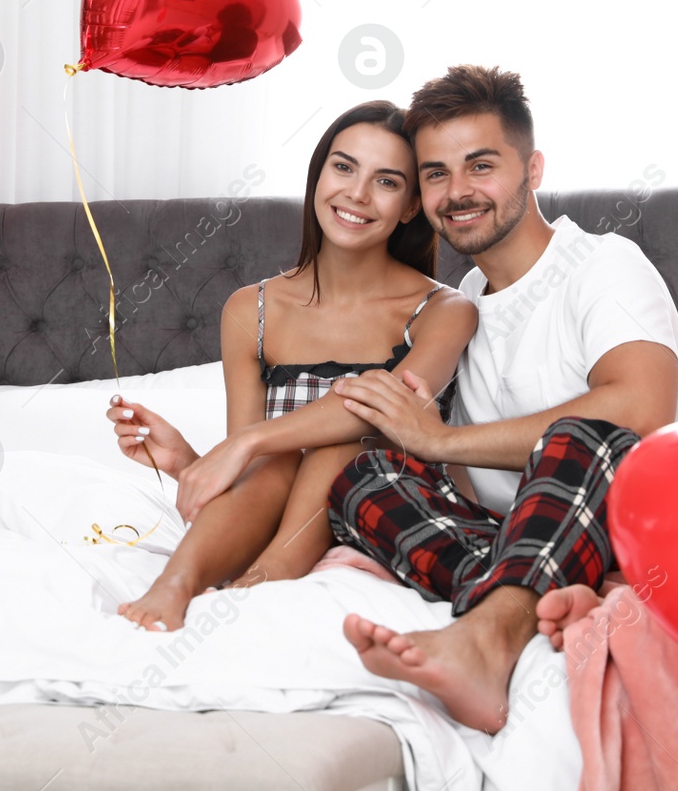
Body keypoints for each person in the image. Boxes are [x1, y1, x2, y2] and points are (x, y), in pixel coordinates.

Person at [327, 65, 678, 734]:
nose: (459, 191)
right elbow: (443, 469)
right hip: (530, 542)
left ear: (532, 168)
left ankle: (487, 641)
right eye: (436, 173)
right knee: (365, 478)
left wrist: (441, 439)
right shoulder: (459, 309)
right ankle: (537, 592)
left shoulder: (602, 263)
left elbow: (640, 409)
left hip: (656, 532)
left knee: (583, 434)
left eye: (481, 165)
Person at [104, 101, 478, 632]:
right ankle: (176, 583)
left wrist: (246, 443)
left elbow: (376, 407)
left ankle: (269, 578)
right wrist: (192, 463)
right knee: (276, 456)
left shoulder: (445, 310)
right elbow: (256, 477)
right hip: (288, 525)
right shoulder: (249, 310)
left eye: (387, 182)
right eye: (343, 167)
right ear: (318, 173)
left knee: (346, 440)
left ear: (412, 206)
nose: (357, 194)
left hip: (395, 513)